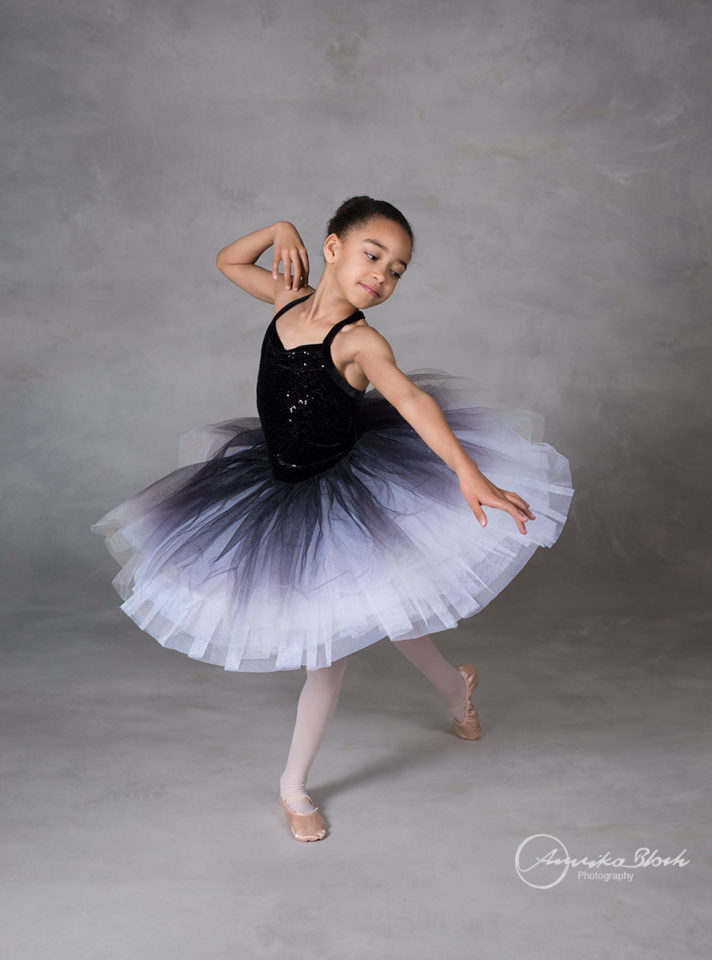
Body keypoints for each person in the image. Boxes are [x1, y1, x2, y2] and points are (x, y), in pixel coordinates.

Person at [92, 196, 574, 842]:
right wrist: (277, 229)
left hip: (344, 496)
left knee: (330, 650)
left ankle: (293, 787)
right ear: (332, 248)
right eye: (373, 255)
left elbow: (410, 397)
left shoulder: (360, 341)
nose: (383, 275)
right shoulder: (285, 299)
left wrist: (468, 472)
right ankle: (458, 692)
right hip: (278, 488)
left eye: (397, 270)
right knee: (395, 616)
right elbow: (228, 261)